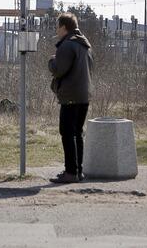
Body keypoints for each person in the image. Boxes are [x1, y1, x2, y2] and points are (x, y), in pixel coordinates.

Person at [48, 12, 93, 184]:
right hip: (83, 95)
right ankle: (77, 171)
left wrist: (51, 61)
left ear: (64, 27)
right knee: (77, 133)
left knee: (67, 133)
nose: (56, 29)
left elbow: (59, 69)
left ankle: (70, 172)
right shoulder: (84, 45)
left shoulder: (67, 45)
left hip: (71, 96)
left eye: (57, 26)